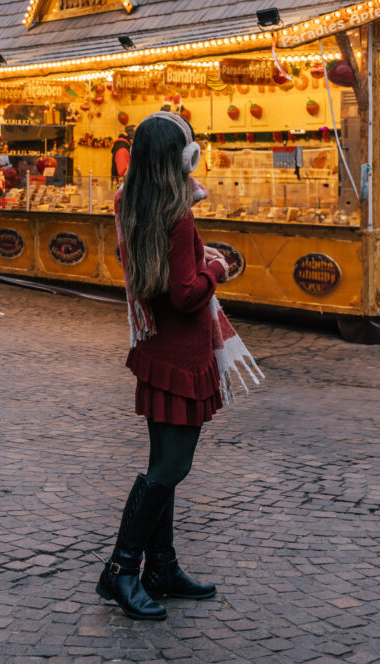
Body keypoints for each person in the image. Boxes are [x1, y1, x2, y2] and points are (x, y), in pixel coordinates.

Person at [97, 113, 261, 621]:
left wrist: (194, 257)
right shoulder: (177, 215)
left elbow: (160, 275)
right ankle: (122, 569)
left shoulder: (136, 204)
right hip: (182, 353)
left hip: (155, 347)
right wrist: (215, 266)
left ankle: (161, 567)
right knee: (172, 467)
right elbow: (187, 293)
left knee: (161, 465)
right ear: (179, 158)